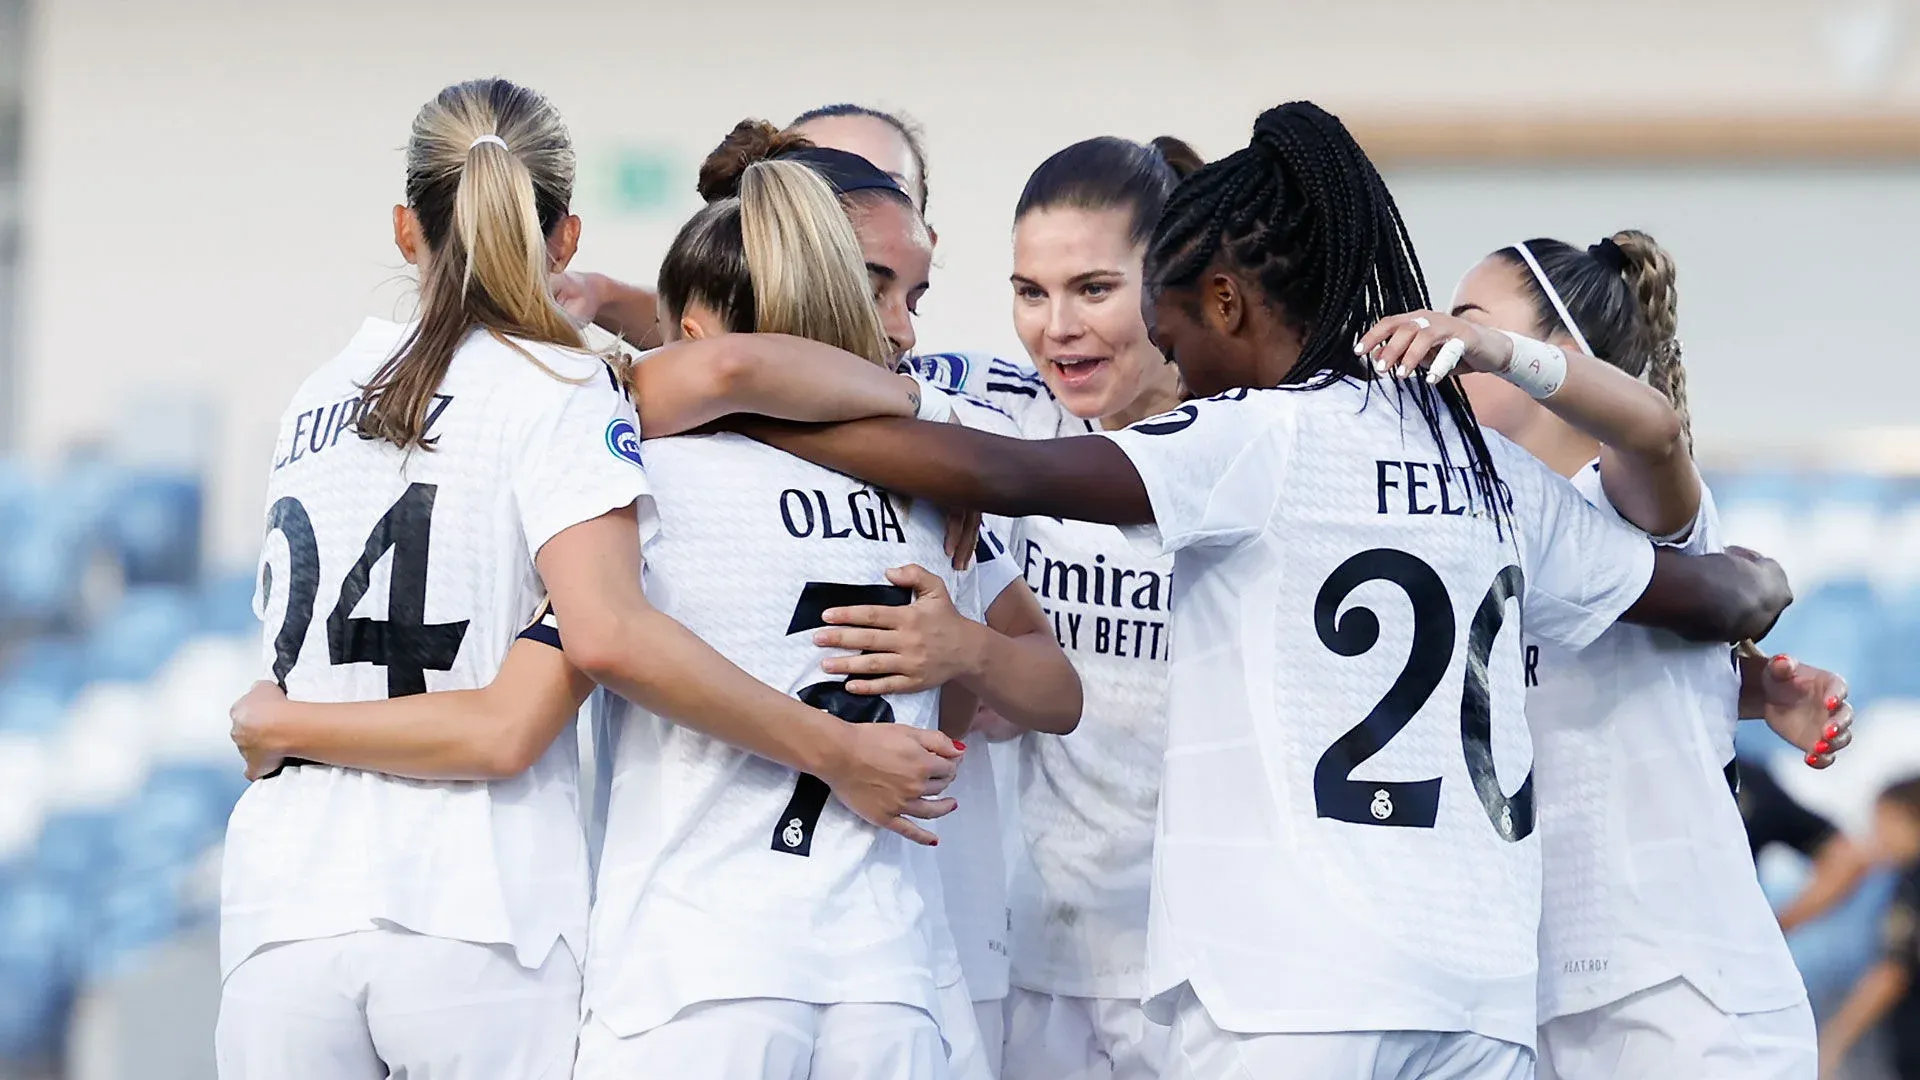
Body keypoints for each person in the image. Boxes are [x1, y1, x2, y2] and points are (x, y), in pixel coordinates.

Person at [724, 100, 1796, 1080]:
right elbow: (1709, 596)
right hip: (1478, 996)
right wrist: (1756, 604)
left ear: (1226, 302)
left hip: (1290, 989)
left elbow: (1012, 474)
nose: (1172, 362)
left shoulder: (1255, 435)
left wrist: (743, 408)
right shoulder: (1488, 466)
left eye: (1170, 326)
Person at [231, 131, 1081, 1080]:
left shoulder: (609, 448)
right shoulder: (922, 477)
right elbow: (1024, 699)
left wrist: (282, 725)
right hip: (864, 970)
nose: (904, 328)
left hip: (674, 972)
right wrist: (930, 428)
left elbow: (554, 681)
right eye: (884, 294)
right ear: (565, 239)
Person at [1358, 231, 1855, 1078]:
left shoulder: (1624, 500)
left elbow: (1656, 437)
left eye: (1469, 318)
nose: (1445, 337)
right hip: (1537, 991)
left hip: (1686, 990)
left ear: (1556, 355)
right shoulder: (1476, 524)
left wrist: (1490, 349)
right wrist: (1742, 687)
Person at [910, 135, 1200, 1080]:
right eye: (1031, 292)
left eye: (1093, 289)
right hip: (1044, 956)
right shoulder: (1005, 419)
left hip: (1208, 962)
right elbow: (834, 369)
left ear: (1171, 280)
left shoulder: (1244, 442)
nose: (1056, 327)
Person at [554, 103, 934, 350]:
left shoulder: (966, 395)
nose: (862, 203)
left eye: (889, 187)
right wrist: (598, 293)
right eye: (816, 186)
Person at [1818, 776, 1920, 1079]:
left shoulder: (1912, 882)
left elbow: (1894, 968)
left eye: (1884, 823)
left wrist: (1834, 1039)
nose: (1878, 837)